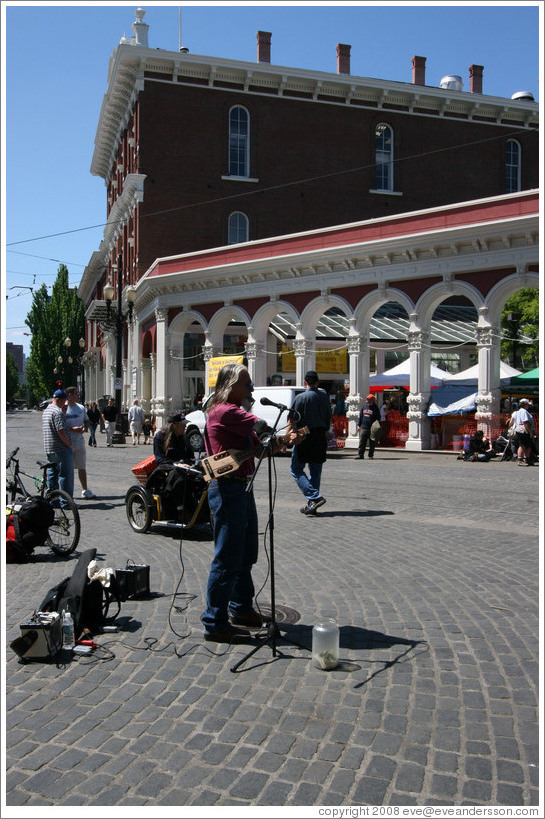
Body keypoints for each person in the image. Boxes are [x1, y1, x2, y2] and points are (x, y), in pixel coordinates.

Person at [201, 363, 296, 642]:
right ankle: (214, 622)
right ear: (230, 386)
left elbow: (262, 445)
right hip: (227, 488)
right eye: (247, 384)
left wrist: (285, 440)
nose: (251, 389)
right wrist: (272, 433)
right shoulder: (225, 411)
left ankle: (240, 609)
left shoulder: (239, 415)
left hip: (241, 487)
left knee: (244, 554)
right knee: (228, 557)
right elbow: (260, 426)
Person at [287, 370, 332, 516]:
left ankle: (314, 497)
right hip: (320, 437)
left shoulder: (301, 397)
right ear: (318, 382)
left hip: (304, 437)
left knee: (296, 469)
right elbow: (329, 416)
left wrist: (287, 438)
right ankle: (312, 504)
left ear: (305, 382)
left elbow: (292, 419)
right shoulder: (324, 396)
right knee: (315, 472)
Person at [42, 389, 74, 500]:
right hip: (61, 449)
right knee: (65, 476)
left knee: (52, 474)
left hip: (49, 448)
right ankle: (66, 502)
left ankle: (53, 500)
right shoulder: (57, 412)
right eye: (65, 401)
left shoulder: (46, 411)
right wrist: (69, 445)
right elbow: (60, 430)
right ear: (61, 400)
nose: (65, 403)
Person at [64, 386, 96, 499]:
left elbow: (87, 420)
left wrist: (84, 427)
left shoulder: (81, 408)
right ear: (69, 395)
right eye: (76, 393)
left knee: (82, 466)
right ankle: (67, 492)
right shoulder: (64, 408)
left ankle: (84, 490)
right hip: (67, 442)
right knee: (68, 468)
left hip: (79, 441)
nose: (78, 395)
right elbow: (61, 426)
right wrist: (73, 429)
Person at [509, 398, 534, 466]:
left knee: (528, 445)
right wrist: (530, 431)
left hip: (522, 430)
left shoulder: (522, 411)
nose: (528, 406)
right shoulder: (523, 411)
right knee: (523, 445)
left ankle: (527, 459)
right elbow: (525, 422)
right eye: (527, 404)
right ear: (524, 405)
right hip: (523, 431)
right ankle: (520, 459)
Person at [355, 393, 381, 460]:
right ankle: (360, 455)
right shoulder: (364, 407)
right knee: (362, 442)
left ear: (372, 400)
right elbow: (361, 416)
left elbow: (378, 418)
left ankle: (370, 455)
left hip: (371, 428)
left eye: (368, 399)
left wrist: (376, 426)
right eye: (367, 399)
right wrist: (358, 425)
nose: (367, 400)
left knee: (372, 443)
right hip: (363, 427)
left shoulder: (375, 408)